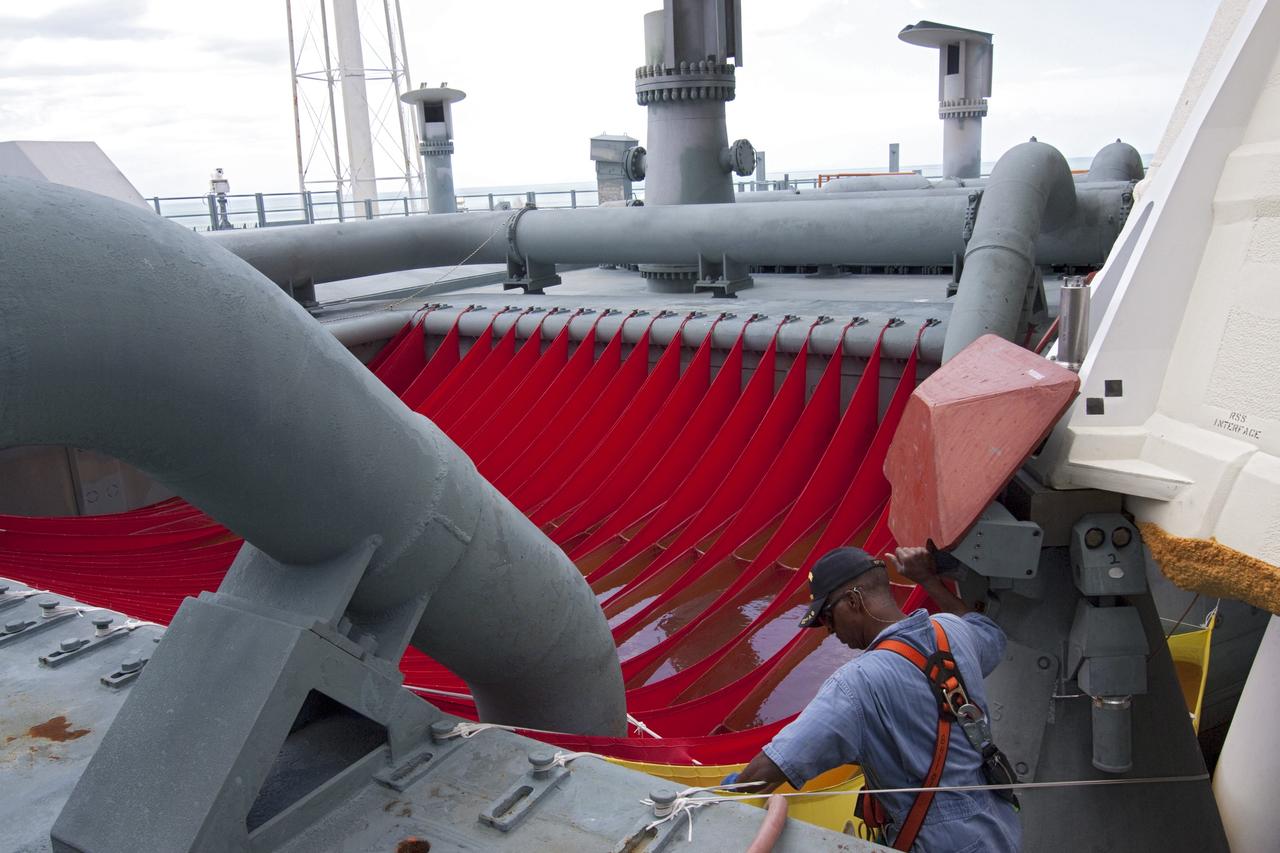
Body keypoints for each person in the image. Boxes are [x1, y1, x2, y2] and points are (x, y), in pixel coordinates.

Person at [732, 545, 1021, 852]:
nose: (830, 631)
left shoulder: (856, 683)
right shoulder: (951, 630)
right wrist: (928, 580)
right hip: (998, 826)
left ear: (854, 601)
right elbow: (987, 630)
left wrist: (726, 790)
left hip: (942, 843)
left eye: (828, 617)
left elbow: (770, 769)